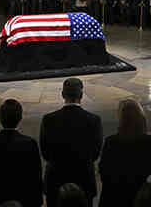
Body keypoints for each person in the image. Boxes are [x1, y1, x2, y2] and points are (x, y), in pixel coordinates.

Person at [40, 78, 103, 207]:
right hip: (84, 179)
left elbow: (45, 153)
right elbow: (95, 153)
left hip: (56, 181)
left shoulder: (49, 120)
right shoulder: (94, 120)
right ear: (81, 95)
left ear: (62, 95)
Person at [0, 99, 43, 207]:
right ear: (20, 118)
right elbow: (36, 176)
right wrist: (38, 202)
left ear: (0, 118)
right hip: (22, 200)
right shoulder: (30, 144)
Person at [98, 99, 151, 207]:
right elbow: (147, 168)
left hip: (112, 195)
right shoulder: (148, 141)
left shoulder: (111, 141)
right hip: (137, 196)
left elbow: (103, 169)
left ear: (121, 118)